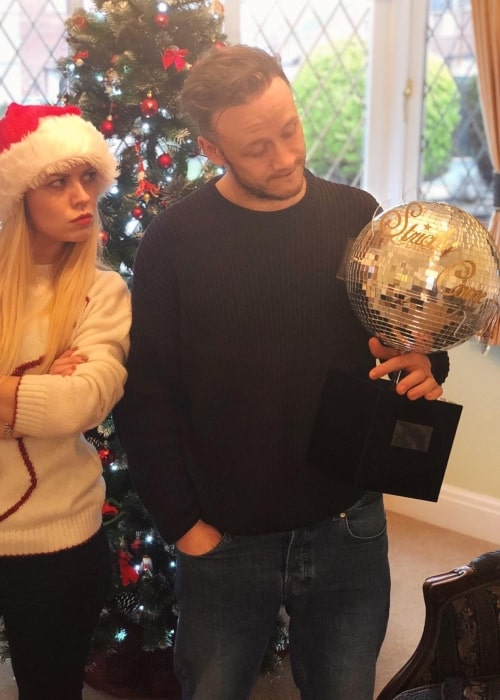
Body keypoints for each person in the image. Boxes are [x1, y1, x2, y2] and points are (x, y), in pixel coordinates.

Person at [114, 45, 450, 700]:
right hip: (226, 536)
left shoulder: (356, 215)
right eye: (258, 147)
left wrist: (424, 358)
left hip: (349, 523)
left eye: (290, 129)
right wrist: (185, 526)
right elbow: (145, 396)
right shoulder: (173, 243)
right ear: (213, 150)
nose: (287, 157)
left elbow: (398, 332)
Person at [0, 102, 131, 700]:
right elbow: (52, 401)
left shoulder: (102, 292)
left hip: (59, 542)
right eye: (59, 181)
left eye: (88, 179)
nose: (82, 196)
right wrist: (38, 386)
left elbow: (84, 401)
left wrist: (47, 392)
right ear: (19, 193)